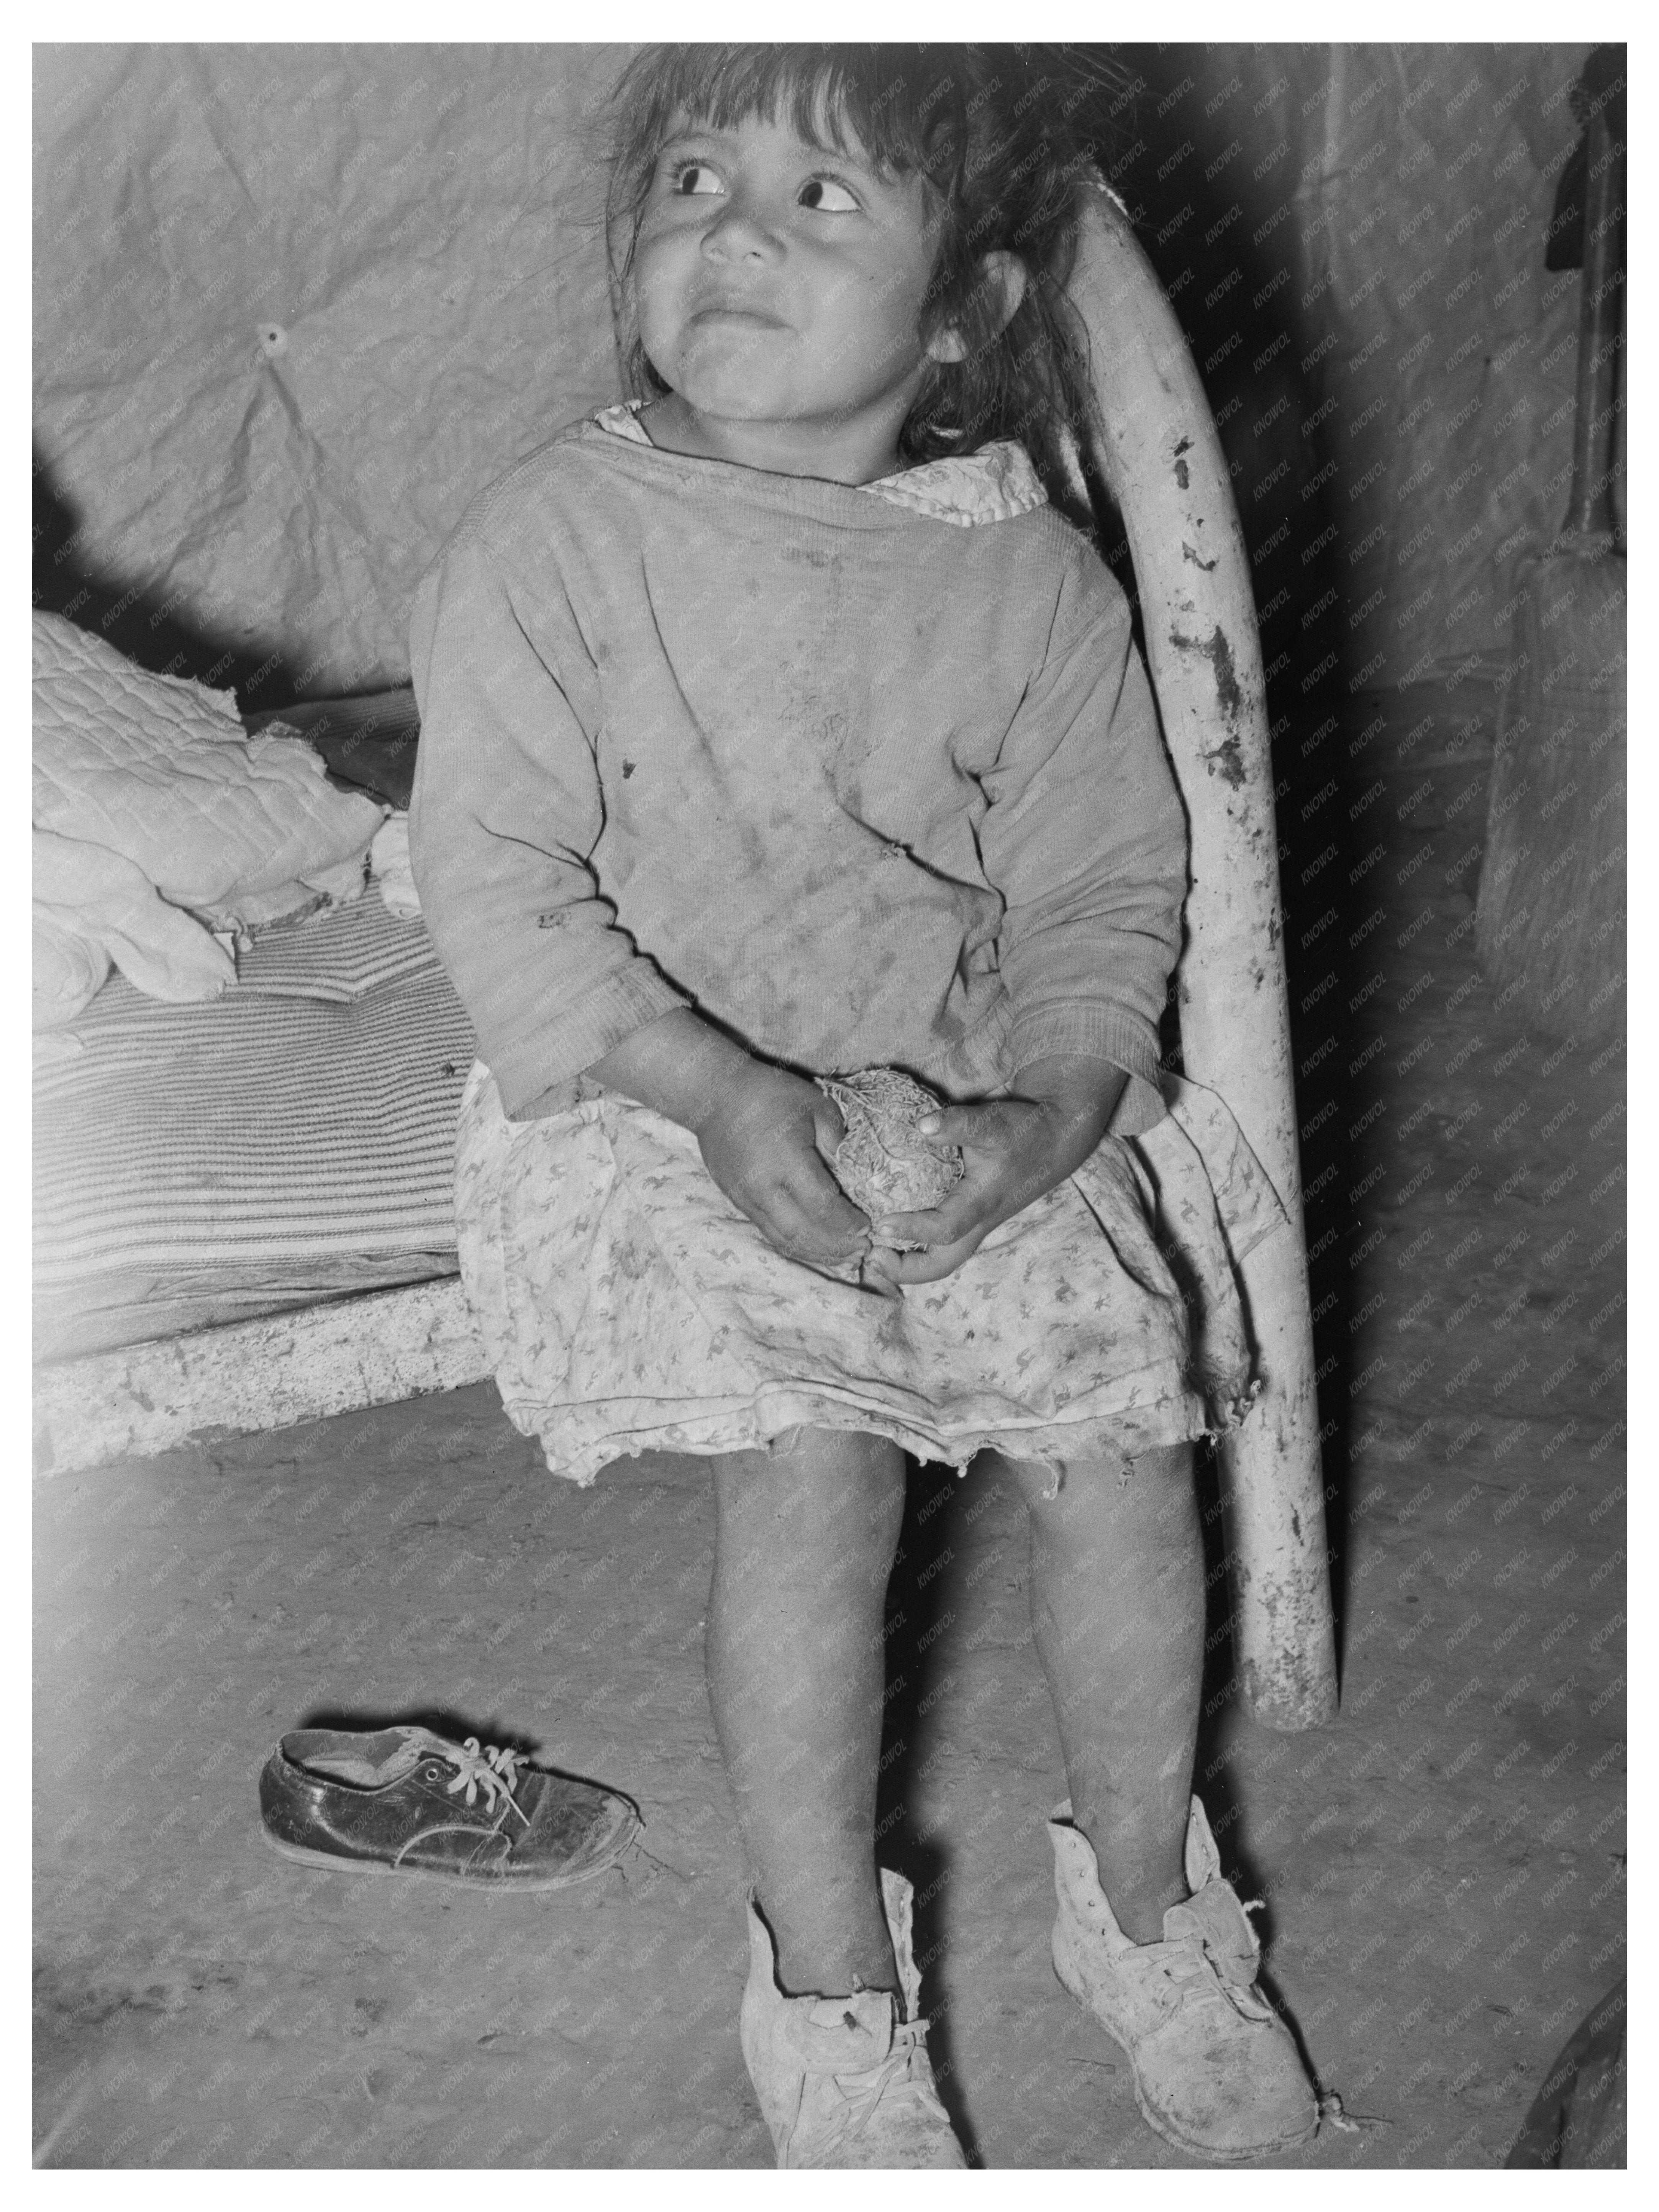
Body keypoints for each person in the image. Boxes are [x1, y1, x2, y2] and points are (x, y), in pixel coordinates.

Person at [409, 43, 1320, 2169]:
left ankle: (1150, 1903)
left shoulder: (1024, 573)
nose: (734, 227)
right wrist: (725, 1099)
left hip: (970, 1079)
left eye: (825, 201)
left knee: (1125, 1443)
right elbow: (501, 887)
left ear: (964, 315)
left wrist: (1061, 1104)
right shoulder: (552, 537)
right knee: (816, 1465)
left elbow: (1108, 883)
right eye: (699, 178)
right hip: (657, 1087)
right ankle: (826, 1983)